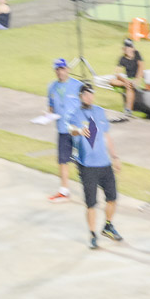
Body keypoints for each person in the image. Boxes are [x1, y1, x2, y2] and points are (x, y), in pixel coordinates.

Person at [68, 83, 123, 249]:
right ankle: (92, 234)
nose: (89, 97)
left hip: (104, 164)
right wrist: (78, 130)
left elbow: (106, 135)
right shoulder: (76, 115)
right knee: (91, 203)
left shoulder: (99, 111)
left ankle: (108, 225)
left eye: (91, 94)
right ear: (80, 96)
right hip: (87, 166)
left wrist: (114, 157)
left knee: (112, 198)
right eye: (85, 94)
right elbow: (71, 129)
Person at [46, 58, 83, 203]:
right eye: (57, 69)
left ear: (68, 69)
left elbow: (86, 106)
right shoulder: (52, 87)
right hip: (62, 129)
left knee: (83, 160)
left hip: (76, 129)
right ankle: (64, 190)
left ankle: (89, 187)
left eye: (62, 69)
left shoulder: (77, 86)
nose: (60, 72)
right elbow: (51, 106)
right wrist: (48, 115)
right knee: (63, 160)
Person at [108, 40, 144, 115]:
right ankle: (126, 85)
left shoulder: (137, 54)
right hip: (128, 79)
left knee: (129, 87)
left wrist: (137, 79)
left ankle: (128, 109)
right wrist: (125, 81)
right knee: (111, 81)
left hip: (138, 78)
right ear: (124, 49)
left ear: (133, 48)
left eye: (130, 47)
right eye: (126, 48)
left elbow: (141, 68)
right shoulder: (122, 59)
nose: (128, 50)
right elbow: (117, 73)